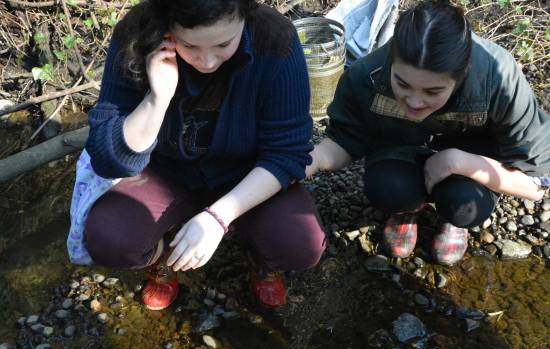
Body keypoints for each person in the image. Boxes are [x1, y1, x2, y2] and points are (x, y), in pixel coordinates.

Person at [75, 0, 325, 309]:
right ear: (168, 27)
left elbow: (288, 153)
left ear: (244, 18)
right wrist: (157, 98)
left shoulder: (274, 40)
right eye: (190, 45)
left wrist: (218, 217)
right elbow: (106, 158)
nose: (207, 61)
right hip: (164, 173)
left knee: (300, 245)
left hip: (245, 174)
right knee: (109, 239)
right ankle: (165, 256)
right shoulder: (137, 34)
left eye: (224, 43)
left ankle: (261, 259)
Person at [306, 0, 550, 265]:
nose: (414, 101)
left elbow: (536, 184)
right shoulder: (366, 74)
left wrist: (458, 162)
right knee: (388, 190)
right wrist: (312, 160)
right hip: (400, 152)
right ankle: (407, 210)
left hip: (470, 163)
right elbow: (345, 139)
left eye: (432, 91)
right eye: (402, 84)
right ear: (391, 61)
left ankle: (453, 222)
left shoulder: (499, 77)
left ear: (462, 74)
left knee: (466, 206)